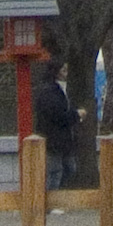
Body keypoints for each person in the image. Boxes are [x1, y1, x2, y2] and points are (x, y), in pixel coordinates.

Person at [34, 57, 80, 191]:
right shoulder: (49, 90)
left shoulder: (61, 89)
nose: (66, 72)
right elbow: (57, 114)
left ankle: (58, 197)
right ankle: (51, 201)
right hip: (53, 137)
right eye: (63, 69)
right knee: (55, 170)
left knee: (69, 168)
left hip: (63, 138)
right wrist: (75, 115)